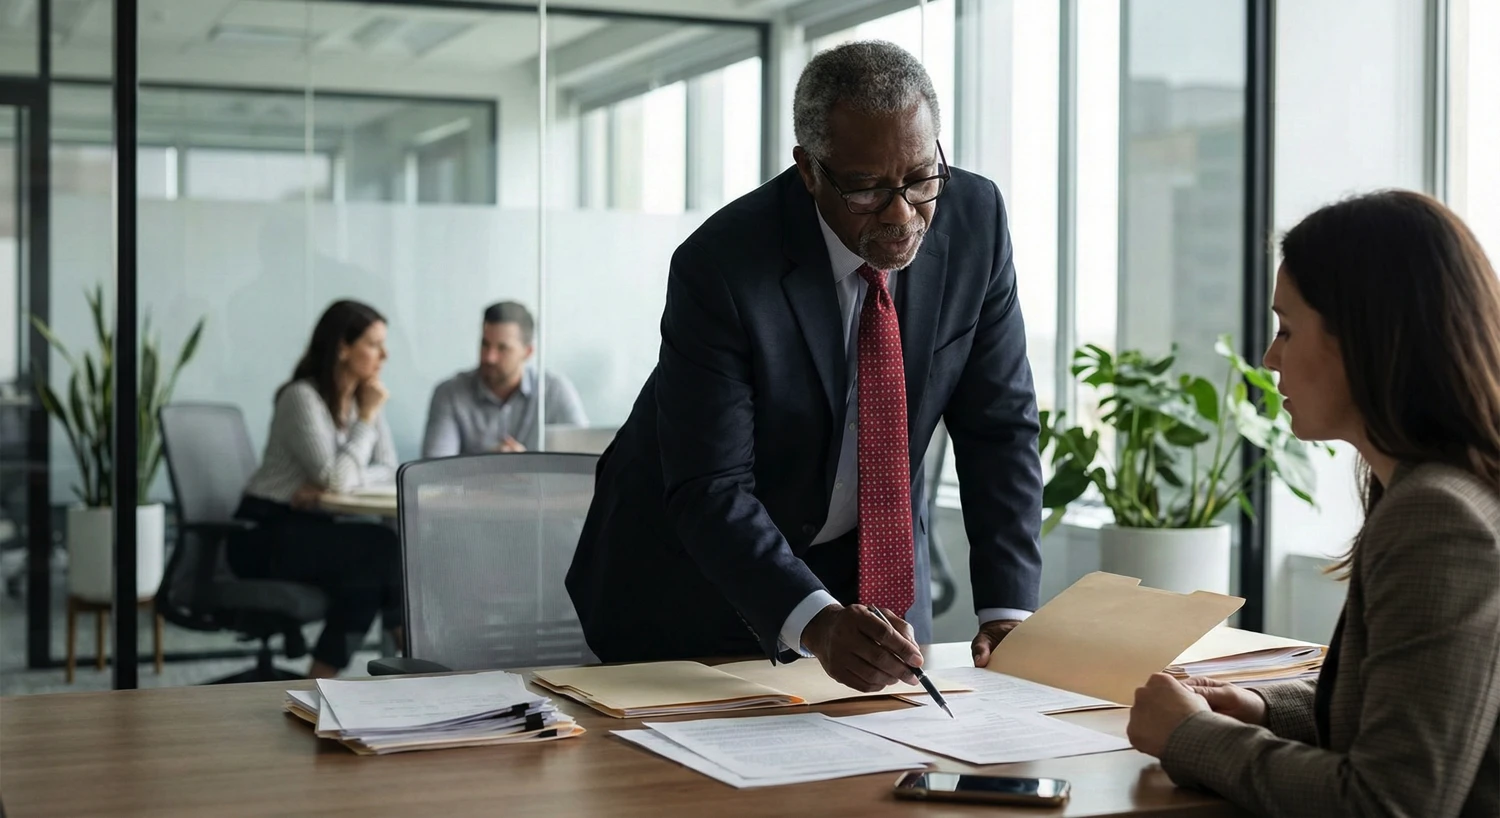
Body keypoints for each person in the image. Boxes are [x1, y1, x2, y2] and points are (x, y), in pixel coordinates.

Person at [567, 41, 1042, 692]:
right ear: (810, 171)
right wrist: (814, 622)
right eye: (869, 189)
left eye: (920, 178)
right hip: (697, 586)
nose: (903, 214)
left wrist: (1008, 610)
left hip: (868, 576)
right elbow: (712, 488)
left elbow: (1000, 428)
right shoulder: (724, 267)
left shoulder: (975, 219)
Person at [1126, 191, 1500, 817]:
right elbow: (1407, 704)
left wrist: (1192, 737)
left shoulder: (1441, 517)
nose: (1270, 359)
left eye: (1287, 329)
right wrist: (1262, 706)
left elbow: (1392, 802)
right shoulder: (1432, 491)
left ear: (1365, 338)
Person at [229, 299, 403, 679]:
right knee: (382, 549)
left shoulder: (363, 399)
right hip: (263, 533)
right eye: (374, 344)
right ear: (343, 346)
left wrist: (340, 475)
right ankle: (410, 656)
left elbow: (389, 469)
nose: (384, 355)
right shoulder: (300, 398)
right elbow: (338, 479)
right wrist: (366, 422)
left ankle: (322, 681)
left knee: (376, 561)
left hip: (312, 527)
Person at [422, 301, 588, 457]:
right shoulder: (450, 394)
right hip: (474, 489)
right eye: (485, 344)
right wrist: (486, 466)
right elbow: (433, 473)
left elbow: (583, 464)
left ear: (528, 352)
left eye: (503, 348)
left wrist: (529, 467)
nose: (489, 357)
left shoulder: (555, 391)